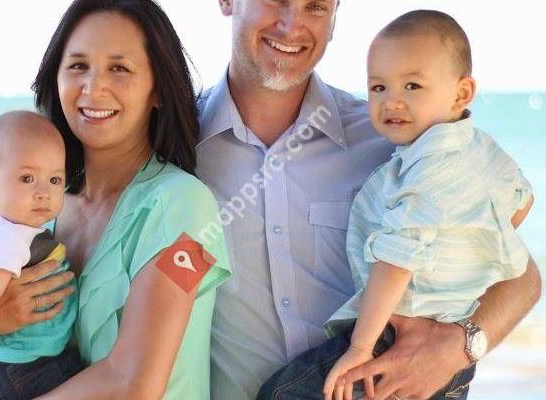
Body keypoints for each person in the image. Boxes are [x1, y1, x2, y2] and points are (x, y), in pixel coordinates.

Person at [195, 1, 542, 400]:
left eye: (315, 6)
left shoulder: (399, 141)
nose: (292, 25)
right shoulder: (174, 144)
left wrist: (457, 348)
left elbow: (522, 278)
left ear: (335, 17)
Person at [0, 1, 231, 399]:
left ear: (157, 89)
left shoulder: (188, 208)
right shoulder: (40, 208)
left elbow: (136, 384)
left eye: (119, 68)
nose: (93, 87)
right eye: (78, 66)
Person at [0, 111, 80, 400]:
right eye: (27, 178)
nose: (44, 192)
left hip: (22, 362)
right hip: (30, 367)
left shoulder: (9, 230)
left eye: (54, 180)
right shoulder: (5, 238)